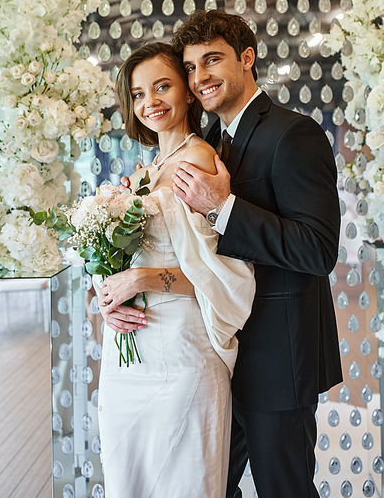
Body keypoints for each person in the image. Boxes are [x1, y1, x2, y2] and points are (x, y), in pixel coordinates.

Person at [171, 10, 342, 498]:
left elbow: (318, 249)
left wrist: (224, 207)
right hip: (219, 357)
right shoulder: (205, 144)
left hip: (276, 358)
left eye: (212, 60)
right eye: (190, 67)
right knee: (213, 486)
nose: (200, 77)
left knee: (282, 488)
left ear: (246, 59)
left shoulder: (294, 134)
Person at [96, 41, 255, 498]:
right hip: (132, 354)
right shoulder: (145, 172)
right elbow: (126, 261)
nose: (151, 102)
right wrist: (109, 296)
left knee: (182, 480)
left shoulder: (197, 161)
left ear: (187, 92)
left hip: (182, 353)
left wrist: (142, 280)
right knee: (131, 478)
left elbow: (222, 274)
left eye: (162, 86)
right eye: (139, 94)